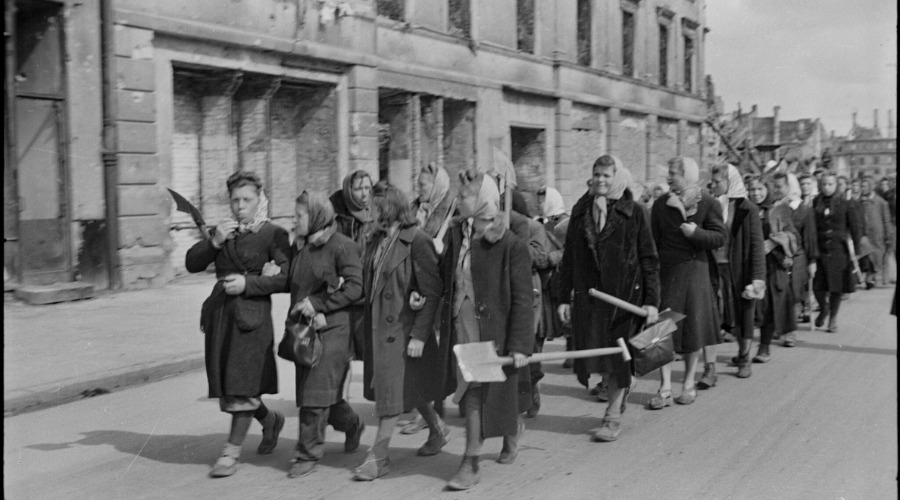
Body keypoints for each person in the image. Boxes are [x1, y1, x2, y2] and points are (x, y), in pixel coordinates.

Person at [186, 170, 291, 478]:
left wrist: (249, 284)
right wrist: (214, 241)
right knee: (231, 385)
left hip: (252, 318)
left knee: (242, 383)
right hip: (221, 316)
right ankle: (270, 420)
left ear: (259, 199)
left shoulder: (273, 234)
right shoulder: (224, 230)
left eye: (247, 199)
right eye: (235, 200)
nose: (240, 206)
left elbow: (287, 279)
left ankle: (230, 453)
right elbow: (192, 263)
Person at [438, 171, 533, 490]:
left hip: (494, 329)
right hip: (461, 324)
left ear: (480, 202)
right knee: (477, 391)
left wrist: (520, 345)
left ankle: (471, 463)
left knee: (482, 392)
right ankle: (510, 429)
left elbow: (522, 299)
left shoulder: (511, 245)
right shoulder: (456, 234)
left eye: (465, 195)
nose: (458, 199)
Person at [557, 155, 660, 441]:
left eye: (606, 175)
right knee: (601, 356)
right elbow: (569, 259)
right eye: (596, 174)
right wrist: (564, 297)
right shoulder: (581, 211)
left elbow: (649, 259)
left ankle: (612, 418)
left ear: (616, 177)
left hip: (625, 299)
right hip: (591, 299)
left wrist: (652, 301)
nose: (600, 180)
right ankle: (620, 391)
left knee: (617, 356)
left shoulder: (635, 213)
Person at [353, 184, 448, 480]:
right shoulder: (377, 239)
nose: (370, 212)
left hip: (404, 330)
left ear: (390, 208)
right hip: (380, 328)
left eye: (376, 207)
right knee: (408, 386)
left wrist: (420, 335)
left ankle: (379, 457)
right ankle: (437, 430)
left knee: (391, 396)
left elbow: (431, 291)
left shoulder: (417, 240)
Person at [285, 190, 366, 478]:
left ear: (318, 216)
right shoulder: (302, 246)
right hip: (306, 329)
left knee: (314, 393)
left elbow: (356, 287)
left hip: (334, 330)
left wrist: (319, 304)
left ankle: (307, 453)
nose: (294, 221)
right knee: (322, 395)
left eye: (299, 216)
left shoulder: (343, 246)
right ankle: (352, 424)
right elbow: (294, 282)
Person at [649, 157, 726, 408]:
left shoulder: (708, 203)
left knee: (693, 329)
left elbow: (719, 237)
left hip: (696, 274)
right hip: (669, 274)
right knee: (663, 330)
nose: (669, 178)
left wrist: (696, 234)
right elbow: (653, 242)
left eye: (674, 174)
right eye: (669, 173)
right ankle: (665, 387)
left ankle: (689, 383)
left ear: (689, 176)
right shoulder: (661, 205)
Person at [399, 163, 456, 435]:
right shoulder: (415, 208)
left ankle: (435, 411)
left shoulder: (451, 211)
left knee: (434, 350)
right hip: (416, 285)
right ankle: (429, 411)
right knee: (425, 350)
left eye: (423, 184)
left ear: (437, 186)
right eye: (418, 183)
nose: (418, 188)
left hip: (440, 289)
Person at [707, 164, 765, 380]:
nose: (713, 186)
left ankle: (745, 356)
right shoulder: (711, 205)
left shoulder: (747, 208)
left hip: (740, 268)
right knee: (722, 314)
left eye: (717, 182)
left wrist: (757, 276)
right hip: (715, 267)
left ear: (730, 183)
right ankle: (712, 364)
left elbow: (757, 245)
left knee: (744, 312)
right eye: (711, 182)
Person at [748, 174, 799, 363]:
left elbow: (793, 236)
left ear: (768, 190)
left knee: (767, 307)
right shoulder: (745, 209)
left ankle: (764, 346)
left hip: (772, 265)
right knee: (750, 307)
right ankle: (744, 351)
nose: (756, 193)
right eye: (752, 189)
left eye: (760, 189)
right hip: (750, 264)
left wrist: (773, 241)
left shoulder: (778, 210)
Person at [509, 189, 549, 418]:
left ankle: (531, 389)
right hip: (504, 289)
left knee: (527, 344)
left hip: (528, 289)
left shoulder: (534, 228)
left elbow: (541, 256)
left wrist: (515, 245)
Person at [330, 170, 376, 361]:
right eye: (358, 189)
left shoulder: (377, 215)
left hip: (369, 294)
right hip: (346, 293)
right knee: (343, 354)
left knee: (370, 352)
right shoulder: (337, 217)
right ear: (348, 191)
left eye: (367, 188)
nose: (364, 194)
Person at [812, 172, 862, 332]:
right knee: (818, 286)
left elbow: (855, 227)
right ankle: (824, 308)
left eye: (830, 184)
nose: (826, 187)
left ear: (836, 185)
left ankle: (833, 319)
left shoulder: (845, 203)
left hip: (838, 251)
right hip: (819, 250)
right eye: (824, 184)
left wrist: (857, 251)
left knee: (836, 287)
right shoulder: (816, 201)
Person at [776, 173, 819, 327]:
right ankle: (782, 325)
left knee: (795, 291)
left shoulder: (804, 210)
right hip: (779, 255)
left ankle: (790, 330)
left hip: (799, 257)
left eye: (780, 186)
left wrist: (812, 261)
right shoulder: (777, 208)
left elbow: (810, 237)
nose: (777, 190)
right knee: (781, 290)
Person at [857, 176, 893, 289]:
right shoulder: (859, 202)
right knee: (866, 256)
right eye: (861, 186)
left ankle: (872, 278)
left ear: (871, 187)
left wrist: (888, 235)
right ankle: (869, 278)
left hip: (877, 234)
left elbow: (886, 219)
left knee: (877, 256)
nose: (863, 189)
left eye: (865, 186)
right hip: (864, 234)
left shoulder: (881, 202)